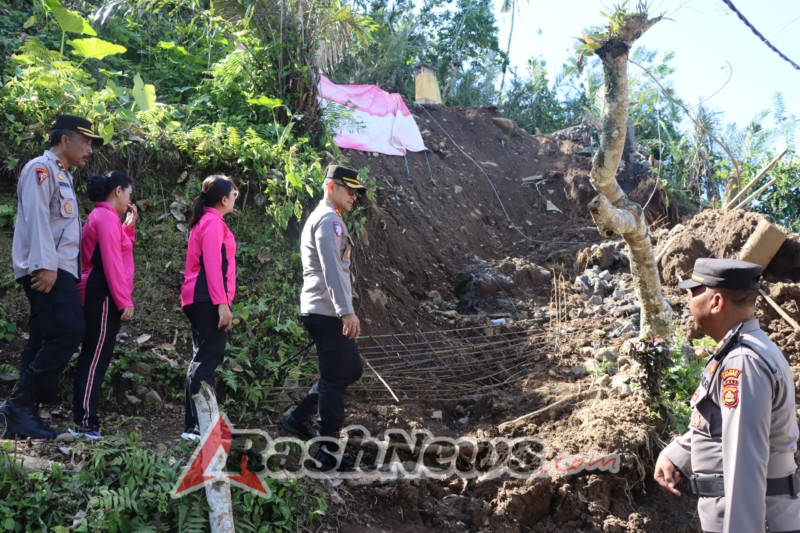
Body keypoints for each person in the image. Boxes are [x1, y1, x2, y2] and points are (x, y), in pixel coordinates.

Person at [654, 258, 800, 533]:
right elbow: (722, 426)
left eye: (695, 293)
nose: (689, 303)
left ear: (716, 302)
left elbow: (744, 465)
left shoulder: (742, 362)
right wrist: (679, 452)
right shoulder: (744, 350)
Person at [1, 114, 104, 440]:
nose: (89, 148)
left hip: (58, 269)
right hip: (47, 268)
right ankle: (19, 405)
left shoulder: (62, 174)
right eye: (85, 141)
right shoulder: (40, 169)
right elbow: (36, 219)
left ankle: (21, 413)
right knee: (69, 330)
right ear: (64, 140)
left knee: (45, 336)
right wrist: (45, 265)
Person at [280, 164, 366, 471]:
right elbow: (331, 269)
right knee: (338, 375)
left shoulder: (329, 218)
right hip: (326, 310)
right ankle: (326, 453)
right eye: (350, 189)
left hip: (323, 308)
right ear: (331, 187)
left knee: (347, 368)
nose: (355, 196)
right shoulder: (329, 220)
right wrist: (346, 311)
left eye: (357, 191)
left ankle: (298, 418)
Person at [69, 172, 137, 440]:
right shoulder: (106, 217)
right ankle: (85, 422)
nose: (129, 201)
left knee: (94, 355)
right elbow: (111, 262)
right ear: (118, 191)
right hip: (103, 292)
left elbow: (119, 249)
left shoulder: (104, 216)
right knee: (96, 356)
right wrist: (124, 300)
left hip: (99, 290)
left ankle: (84, 419)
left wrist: (129, 226)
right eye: (129, 195)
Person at [180, 175, 238, 441]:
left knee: (201, 358)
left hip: (199, 297)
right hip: (207, 298)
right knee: (207, 359)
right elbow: (214, 267)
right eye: (234, 193)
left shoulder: (205, 221)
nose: (236, 196)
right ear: (223, 199)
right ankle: (197, 427)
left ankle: (198, 425)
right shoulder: (213, 223)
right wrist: (222, 304)